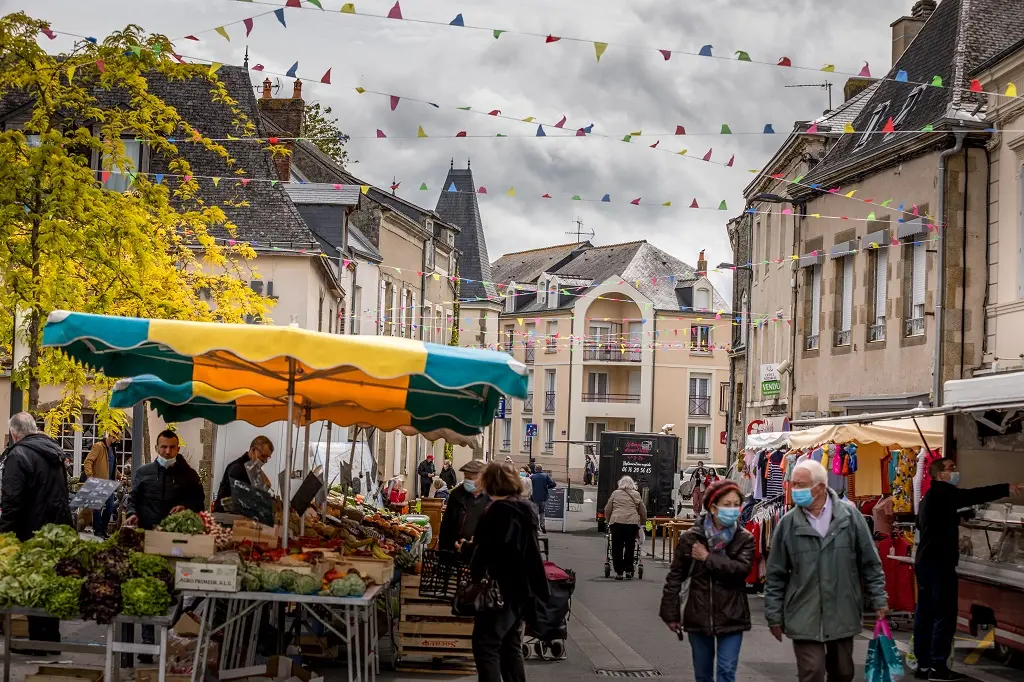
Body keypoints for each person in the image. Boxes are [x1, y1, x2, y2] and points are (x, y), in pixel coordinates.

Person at [764, 459, 887, 682]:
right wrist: (774, 616)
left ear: (820, 487)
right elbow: (775, 574)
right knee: (811, 671)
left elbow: (870, 562)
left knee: (843, 672)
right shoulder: (788, 523)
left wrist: (879, 599)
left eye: (801, 485)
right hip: (803, 611)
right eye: (794, 484)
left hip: (842, 610)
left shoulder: (850, 518)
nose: (795, 490)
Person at [913, 458, 1021, 681]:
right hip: (940, 564)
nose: (955, 471)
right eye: (950, 468)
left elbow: (924, 523)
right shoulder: (945, 493)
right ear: (939, 475)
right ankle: (938, 667)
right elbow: (973, 495)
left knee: (925, 614)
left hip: (924, 562)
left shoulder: (929, 499)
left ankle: (923, 665)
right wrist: (1006, 488)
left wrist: (954, 518)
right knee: (944, 615)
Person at [661, 480, 753, 682]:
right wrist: (671, 612)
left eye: (736, 505)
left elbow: (741, 571)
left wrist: (707, 558)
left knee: (726, 671)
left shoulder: (744, 538)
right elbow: (676, 575)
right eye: (726, 505)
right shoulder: (692, 538)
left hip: (732, 614)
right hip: (699, 613)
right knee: (702, 675)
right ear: (713, 507)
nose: (733, 510)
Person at [124, 429, 205, 661]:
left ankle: (170, 635)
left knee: (173, 592)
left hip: (176, 544)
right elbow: (133, 499)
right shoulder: (143, 473)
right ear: (157, 448)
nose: (167, 451)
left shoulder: (188, 475)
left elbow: (199, 503)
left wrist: (186, 507)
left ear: (177, 449)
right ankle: (148, 641)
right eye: (163, 447)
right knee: (150, 589)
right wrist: (132, 514)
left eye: (171, 447)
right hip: (149, 539)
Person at [0, 413, 74, 653]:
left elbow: (12, 501)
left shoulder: (18, 455)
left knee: (34, 588)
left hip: (30, 531)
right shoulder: (53, 451)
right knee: (47, 587)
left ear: (13, 433)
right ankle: (49, 641)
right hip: (54, 530)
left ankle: (39, 643)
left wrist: (4, 534)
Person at [469, 462, 549, 682]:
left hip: (500, 587)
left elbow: (488, 549)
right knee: (510, 644)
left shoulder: (497, 511)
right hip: (521, 589)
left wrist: (470, 557)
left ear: (490, 483)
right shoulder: (524, 509)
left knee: (486, 644)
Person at [438, 460, 490, 556]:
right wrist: (446, 548)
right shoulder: (456, 495)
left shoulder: (493, 498)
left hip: (481, 554)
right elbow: (446, 525)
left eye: (470, 478)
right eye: (465, 477)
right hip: (455, 551)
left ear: (484, 478)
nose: (467, 480)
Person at [213, 436, 274, 513]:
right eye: (263, 456)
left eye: (268, 457)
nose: (265, 461)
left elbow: (266, 485)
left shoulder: (253, 468)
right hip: (226, 516)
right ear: (253, 450)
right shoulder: (237, 468)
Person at [604, 475, 647, 580]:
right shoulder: (636, 494)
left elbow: (607, 509)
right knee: (630, 547)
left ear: (620, 484)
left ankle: (619, 572)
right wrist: (642, 523)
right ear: (632, 484)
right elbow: (643, 511)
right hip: (631, 524)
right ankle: (628, 570)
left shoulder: (615, 494)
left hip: (617, 523)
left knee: (617, 547)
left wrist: (608, 521)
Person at [82, 431, 120, 538]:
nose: (118, 442)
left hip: (110, 483)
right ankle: (98, 530)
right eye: (117, 439)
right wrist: (90, 476)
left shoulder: (112, 450)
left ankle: (102, 529)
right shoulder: (99, 446)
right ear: (112, 436)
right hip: (98, 482)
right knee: (97, 507)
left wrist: (119, 476)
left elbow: (110, 466)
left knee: (110, 507)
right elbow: (88, 462)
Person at [529, 465, 556, 533]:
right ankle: (542, 524)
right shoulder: (545, 476)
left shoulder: (532, 477)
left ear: (535, 469)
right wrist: (547, 487)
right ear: (541, 469)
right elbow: (553, 484)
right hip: (543, 497)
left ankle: (537, 527)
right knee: (542, 512)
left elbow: (529, 486)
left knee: (535, 513)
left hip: (535, 497)